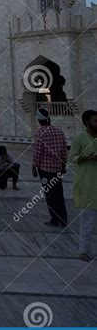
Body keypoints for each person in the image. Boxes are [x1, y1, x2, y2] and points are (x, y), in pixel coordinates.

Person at [32, 107, 68, 227]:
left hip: (45, 170)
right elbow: (64, 151)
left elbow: (37, 153)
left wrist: (34, 167)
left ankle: (54, 219)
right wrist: (63, 166)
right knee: (58, 193)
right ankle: (63, 219)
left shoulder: (40, 133)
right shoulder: (59, 132)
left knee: (49, 194)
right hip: (57, 169)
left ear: (39, 120)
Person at [69, 110, 97, 262]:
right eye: (95, 121)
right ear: (87, 122)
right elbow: (72, 158)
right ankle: (84, 251)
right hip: (87, 186)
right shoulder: (80, 138)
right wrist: (86, 158)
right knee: (87, 222)